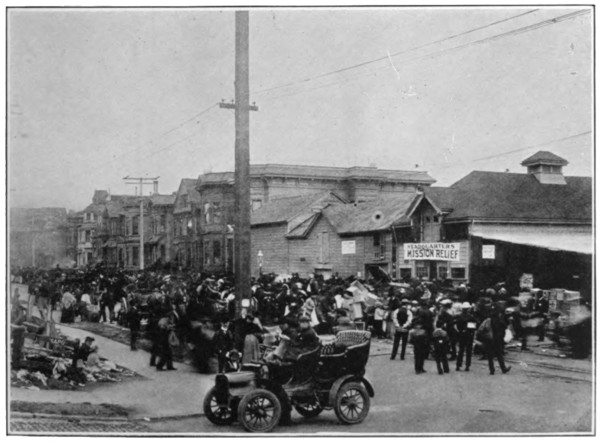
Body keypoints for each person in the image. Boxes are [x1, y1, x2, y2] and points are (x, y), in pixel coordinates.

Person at [477, 306, 511, 375]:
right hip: (497, 340)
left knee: (490, 356)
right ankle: (503, 368)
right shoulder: (500, 320)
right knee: (499, 355)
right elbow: (505, 327)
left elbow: (480, 330)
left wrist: (485, 336)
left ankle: (492, 370)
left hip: (489, 340)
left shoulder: (487, 320)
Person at [455, 302, 477, 371]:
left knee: (460, 350)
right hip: (469, 335)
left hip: (461, 335)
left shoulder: (459, 316)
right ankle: (467, 365)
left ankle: (458, 365)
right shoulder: (471, 317)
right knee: (468, 351)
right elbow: (474, 326)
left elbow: (457, 325)